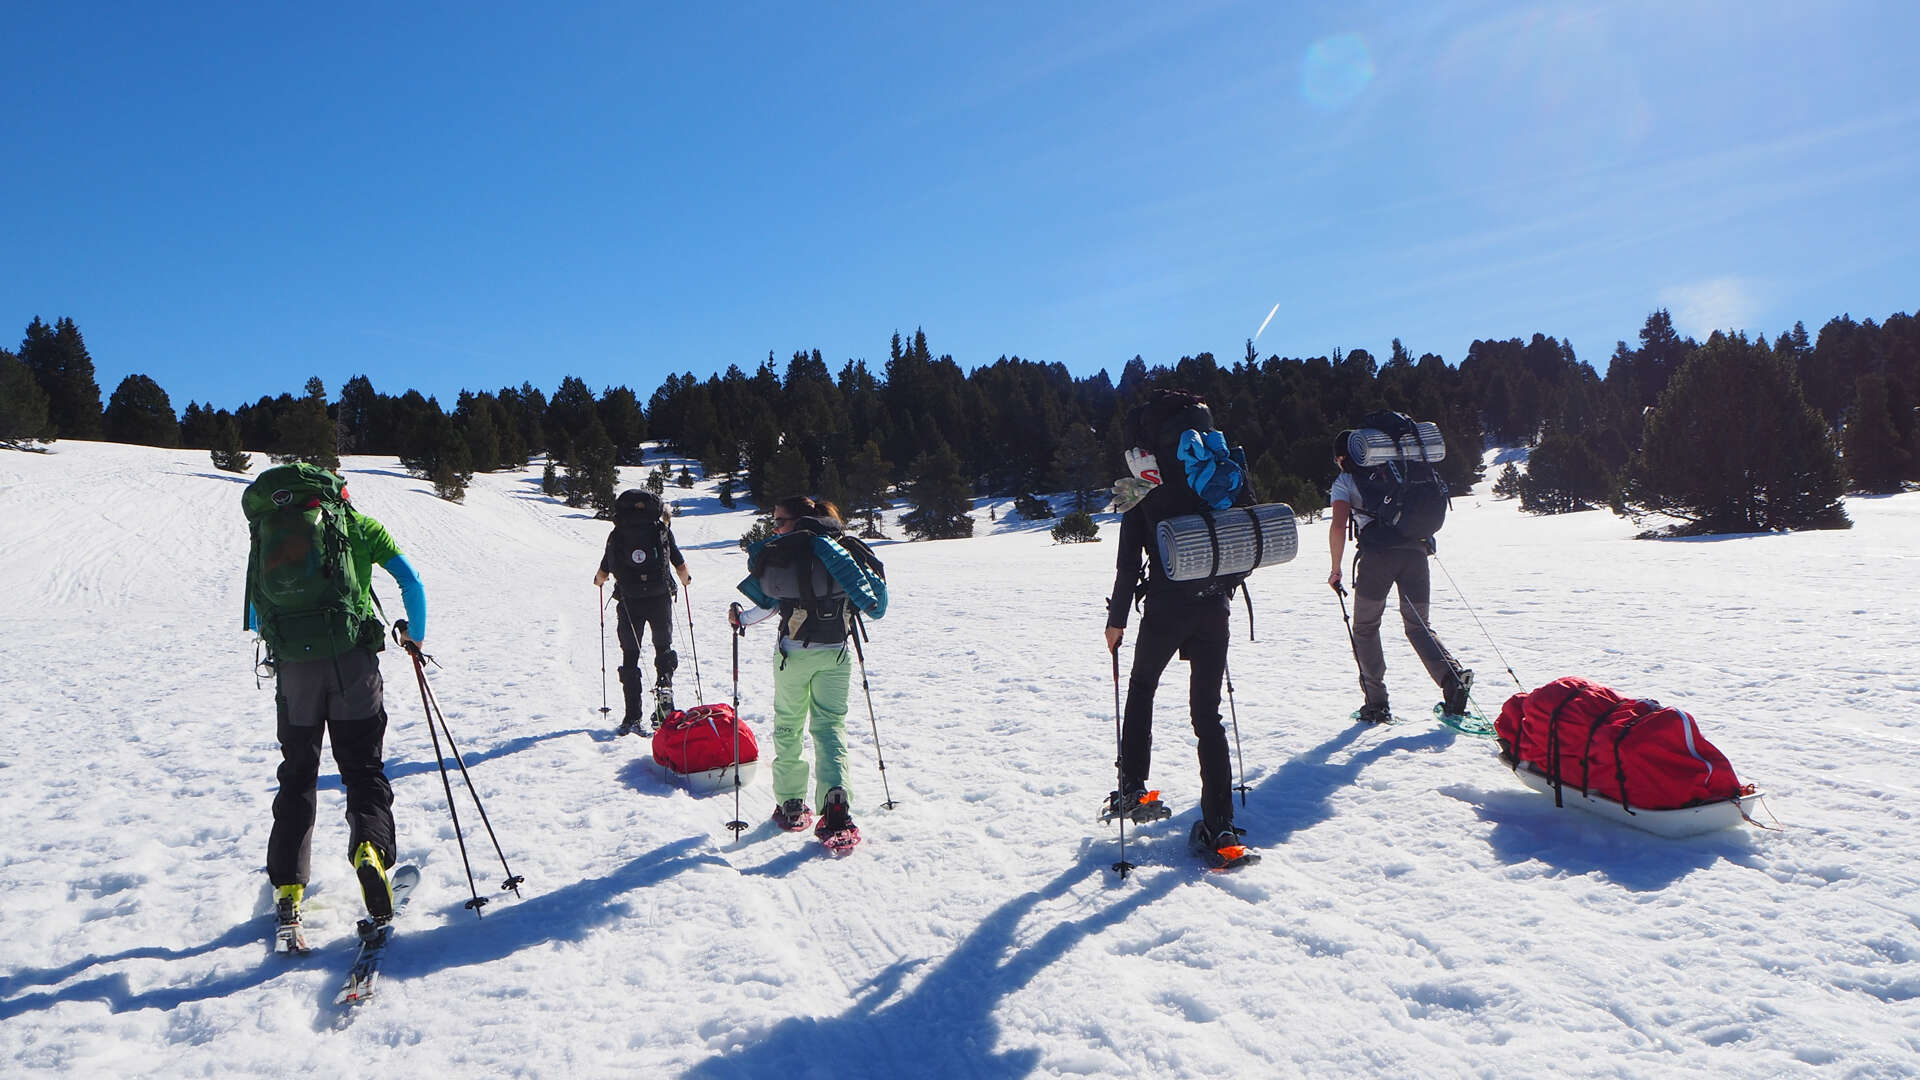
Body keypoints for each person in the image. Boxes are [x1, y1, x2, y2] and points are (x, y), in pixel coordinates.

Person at [243, 463, 427, 946]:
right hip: (353, 665)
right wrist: (415, 635)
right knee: (363, 770)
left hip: (295, 673)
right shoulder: (360, 527)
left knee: (298, 775)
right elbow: (412, 582)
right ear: (339, 496)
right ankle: (369, 851)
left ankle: (288, 888)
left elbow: (253, 608)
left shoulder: (270, 533)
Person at [1103, 425, 1242, 862]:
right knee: (1208, 717)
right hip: (1214, 608)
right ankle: (1220, 827)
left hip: (1165, 611)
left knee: (1142, 688)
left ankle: (1132, 787)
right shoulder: (1214, 482)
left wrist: (1116, 621)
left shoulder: (1144, 493)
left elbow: (1128, 567)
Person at [729, 496, 886, 843]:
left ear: (797, 520)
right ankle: (836, 804)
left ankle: (791, 802)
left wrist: (739, 617)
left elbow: (768, 606)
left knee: (788, 725)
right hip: (837, 654)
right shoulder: (844, 549)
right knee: (830, 728)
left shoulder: (787, 552)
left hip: (793, 655)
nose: (775, 528)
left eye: (779, 521)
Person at [1327, 430, 1472, 723]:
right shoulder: (1400, 472)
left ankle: (1376, 704)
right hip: (1415, 553)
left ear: (1344, 457)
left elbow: (1339, 525)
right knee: (1419, 626)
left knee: (1366, 628)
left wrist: (1336, 568)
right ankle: (1451, 679)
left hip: (1376, 559)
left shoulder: (1345, 481)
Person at [593, 489, 692, 734]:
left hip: (629, 600)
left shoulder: (617, 534)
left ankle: (632, 716)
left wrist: (599, 581)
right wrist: (685, 579)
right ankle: (664, 697)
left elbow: (604, 570)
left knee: (630, 654)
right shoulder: (661, 531)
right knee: (663, 648)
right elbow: (679, 563)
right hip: (659, 598)